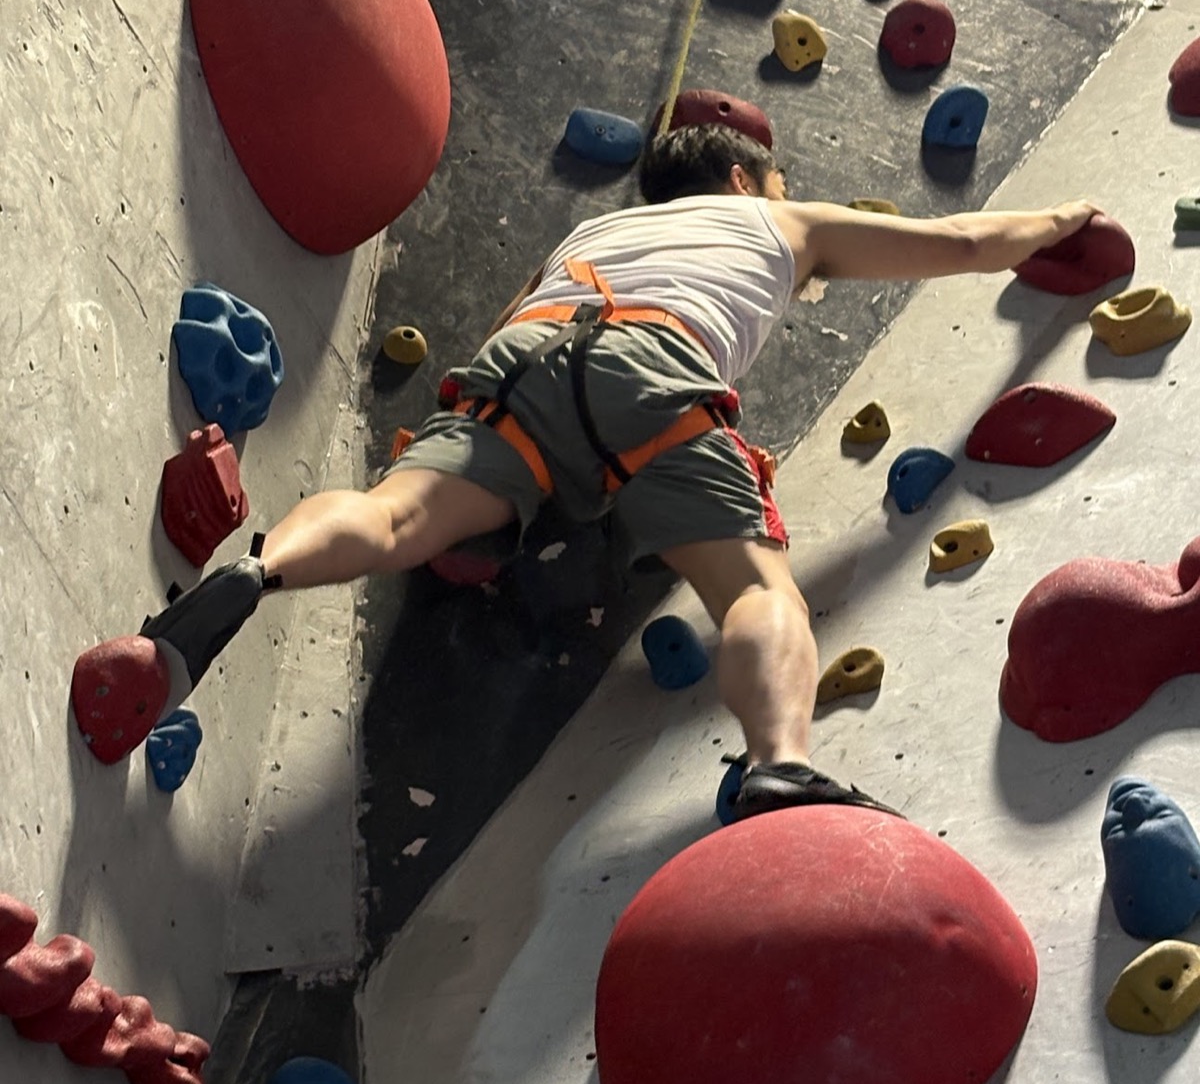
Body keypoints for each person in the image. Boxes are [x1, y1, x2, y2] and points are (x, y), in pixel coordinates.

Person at [76, 124, 1098, 818]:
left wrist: (495, 490)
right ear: (745, 181)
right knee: (751, 586)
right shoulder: (783, 225)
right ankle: (780, 763)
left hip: (528, 356)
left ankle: (225, 596)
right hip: (655, 372)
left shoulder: (592, 229)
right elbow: (963, 241)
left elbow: (501, 334)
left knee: (393, 520)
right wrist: (1062, 224)